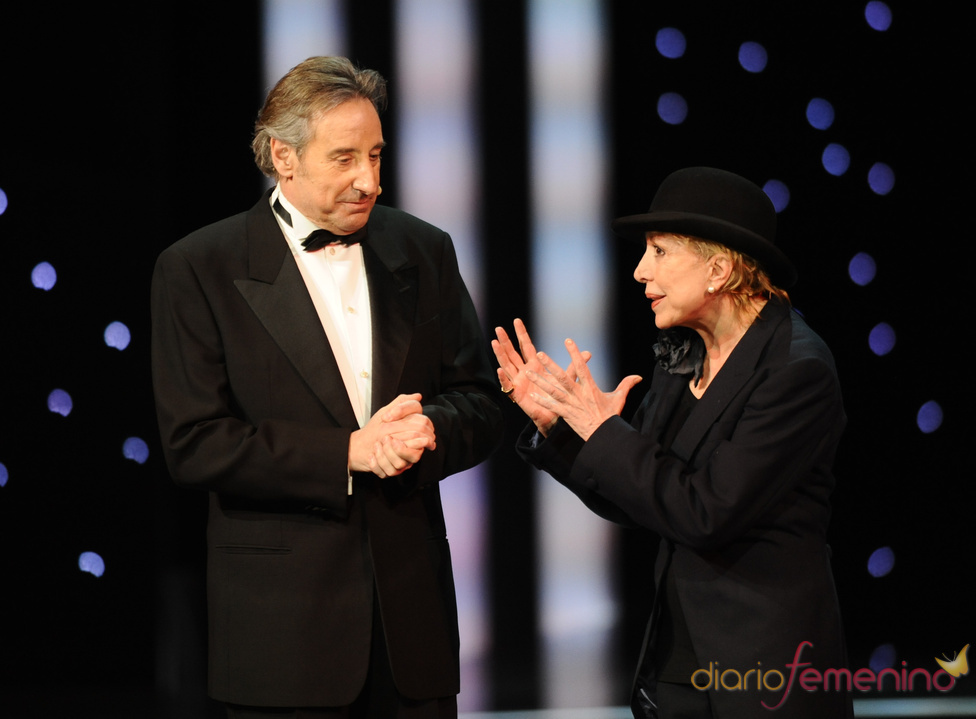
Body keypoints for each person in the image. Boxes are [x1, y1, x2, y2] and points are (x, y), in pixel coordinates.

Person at [151, 56, 502, 718]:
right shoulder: (198, 267)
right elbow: (194, 443)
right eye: (345, 158)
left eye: (376, 154)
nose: (369, 179)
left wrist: (433, 427)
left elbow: (479, 401)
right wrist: (347, 452)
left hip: (412, 638)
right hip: (282, 642)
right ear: (283, 157)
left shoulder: (424, 249)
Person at [493, 167, 851, 718]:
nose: (640, 271)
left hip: (764, 671)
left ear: (719, 269)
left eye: (659, 252)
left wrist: (603, 433)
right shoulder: (683, 356)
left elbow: (704, 511)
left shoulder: (795, 370)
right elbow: (647, 497)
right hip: (679, 667)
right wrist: (561, 429)